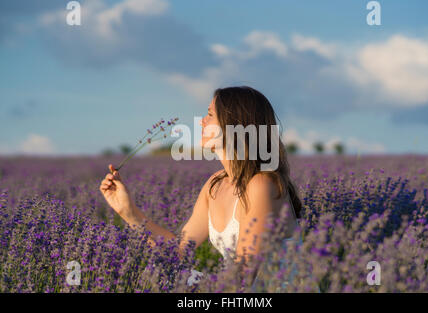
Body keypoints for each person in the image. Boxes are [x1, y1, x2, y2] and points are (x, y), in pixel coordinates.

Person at [99, 86, 303, 288]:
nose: (202, 121)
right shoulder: (215, 185)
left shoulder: (261, 184)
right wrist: (127, 211)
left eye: (210, 114)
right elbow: (178, 252)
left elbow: (244, 273)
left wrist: (191, 282)